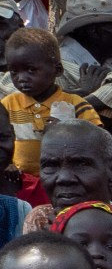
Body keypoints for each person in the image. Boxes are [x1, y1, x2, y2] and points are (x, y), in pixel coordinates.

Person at [4, 30, 97, 176]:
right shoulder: (7, 105)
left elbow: (96, 141)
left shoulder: (74, 104)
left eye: (31, 70)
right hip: (21, 180)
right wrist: (7, 164)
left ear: (57, 70)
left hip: (64, 178)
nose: (21, 78)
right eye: (14, 72)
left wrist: (66, 132)